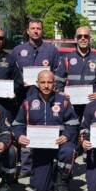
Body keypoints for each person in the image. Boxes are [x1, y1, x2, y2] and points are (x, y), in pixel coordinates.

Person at [12, 70, 80, 191]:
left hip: (60, 143)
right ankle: (51, 173)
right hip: (40, 147)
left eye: (49, 82)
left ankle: (62, 181)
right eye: (43, 82)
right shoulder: (28, 102)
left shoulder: (63, 101)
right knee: (41, 188)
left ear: (54, 83)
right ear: (37, 83)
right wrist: (19, 136)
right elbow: (17, 124)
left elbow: (73, 123)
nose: (46, 85)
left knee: (68, 151)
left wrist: (66, 135)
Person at [11, 19, 60, 177]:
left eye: (39, 28)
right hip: (23, 97)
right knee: (26, 130)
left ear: (42, 31)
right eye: (33, 28)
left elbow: (57, 74)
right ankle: (26, 168)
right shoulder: (18, 50)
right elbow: (13, 74)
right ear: (27, 31)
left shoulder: (51, 50)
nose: (36, 31)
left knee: (44, 127)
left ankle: (44, 163)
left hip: (46, 97)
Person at [55, 25, 96, 118]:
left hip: (92, 103)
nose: (83, 39)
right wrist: (60, 93)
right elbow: (58, 80)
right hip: (71, 105)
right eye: (80, 36)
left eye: (86, 36)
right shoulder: (66, 59)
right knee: (73, 129)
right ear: (75, 39)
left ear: (90, 39)